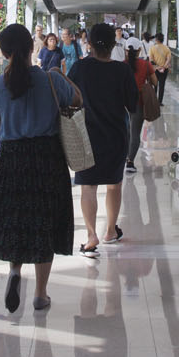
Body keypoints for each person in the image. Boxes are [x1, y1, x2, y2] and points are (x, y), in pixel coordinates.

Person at [0, 24, 81, 312]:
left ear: (3, 52)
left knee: (18, 218)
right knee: (45, 222)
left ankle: (14, 270)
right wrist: (62, 76)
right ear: (32, 47)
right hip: (47, 158)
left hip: (14, 160)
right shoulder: (50, 79)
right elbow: (78, 100)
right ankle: (40, 294)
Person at [68, 23, 138, 255]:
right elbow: (132, 104)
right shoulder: (122, 70)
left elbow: (68, 97)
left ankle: (91, 236)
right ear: (113, 44)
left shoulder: (79, 68)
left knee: (88, 186)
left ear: (89, 43)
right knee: (114, 184)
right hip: (116, 136)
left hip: (85, 136)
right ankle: (110, 231)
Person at [124, 35, 153, 172]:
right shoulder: (146, 65)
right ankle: (130, 162)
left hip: (122, 103)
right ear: (139, 50)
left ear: (126, 50)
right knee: (135, 132)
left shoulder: (121, 65)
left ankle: (124, 156)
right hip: (139, 102)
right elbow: (155, 82)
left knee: (125, 131)